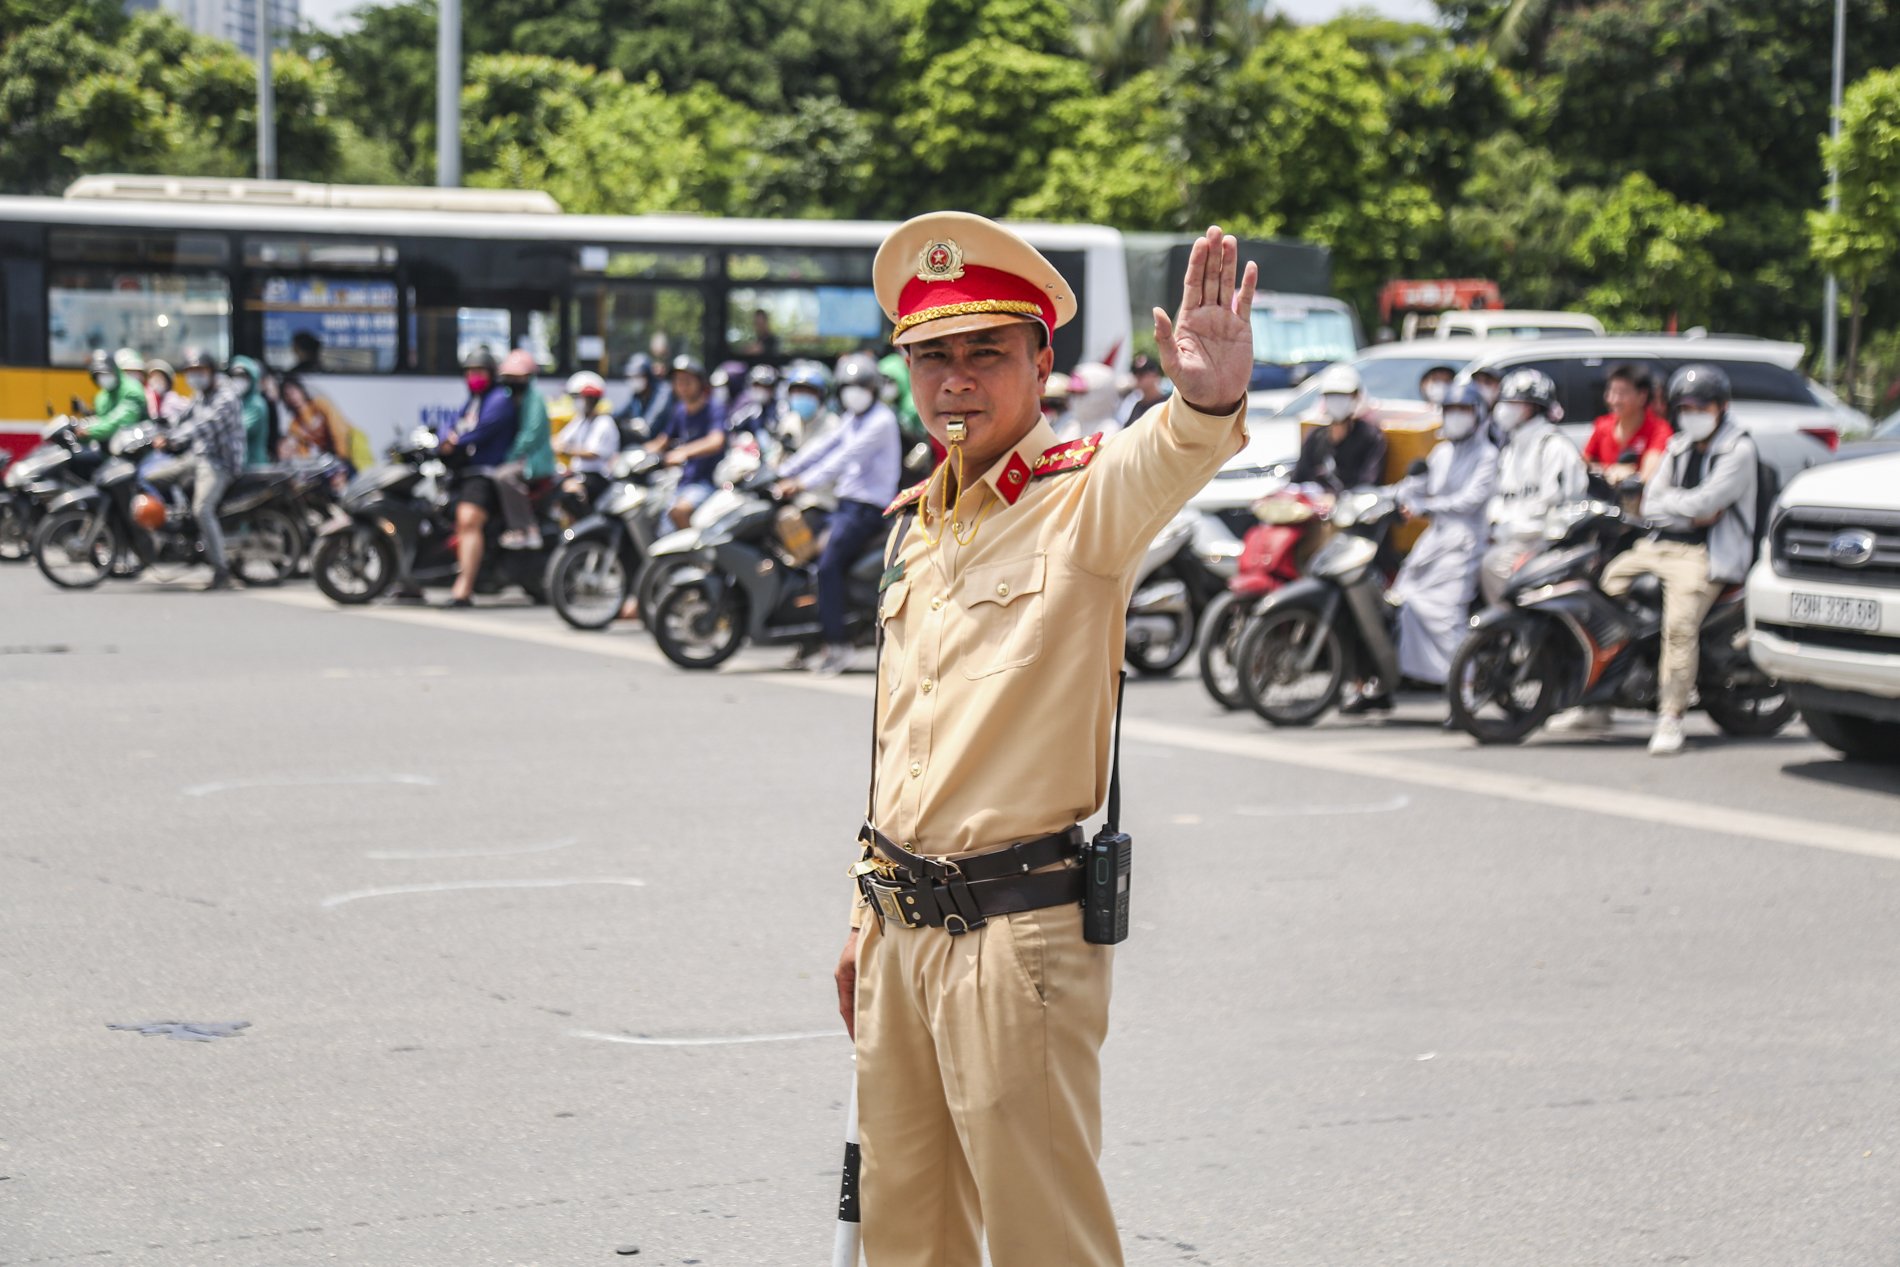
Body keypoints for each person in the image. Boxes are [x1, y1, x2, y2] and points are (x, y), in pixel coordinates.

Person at [835, 214, 1254, 1267]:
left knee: (1040, 1238)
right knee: (905, 1230)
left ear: (1040, 362)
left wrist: (1203, 398)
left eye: (987, 352)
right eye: (933, 355)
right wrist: (859, 915)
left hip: (1014, 939)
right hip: (899, 931)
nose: (957, 381)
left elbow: (1163, 457)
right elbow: (898, 747)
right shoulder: (914, 525)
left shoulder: (1078, 501)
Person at [1598, 364, 1757, 757]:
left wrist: (1681, 507)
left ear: (1721, 407)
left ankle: (1671, 715)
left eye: (1701, 407)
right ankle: (1602, 699)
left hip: (1704, 553)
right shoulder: (1679, 445)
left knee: (1679, 628)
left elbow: (1710, 504)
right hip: (1659, 546)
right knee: (1603, 589)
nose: (1693, 414)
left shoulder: (1739, 449)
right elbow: (1652, 502)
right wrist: (1685, 510)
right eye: (1685, 407)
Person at [772, 355, 902, 675]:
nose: (853, 393)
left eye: (861, 386)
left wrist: (801, 482)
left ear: (873, 388)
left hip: (866, 510)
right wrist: (778, 472)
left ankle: (839, 645)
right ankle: (811, 638)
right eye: (848, 387)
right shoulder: (852, 417)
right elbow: (822, 448)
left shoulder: (880, 420)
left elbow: (844, 457)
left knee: (827, 567)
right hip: (844, 507)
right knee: (801, 555)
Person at [1377, 380, 1499, 701]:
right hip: (1434, 542)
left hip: (1464, 543)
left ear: (1478, 414)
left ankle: (1465, 690)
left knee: (1446, 617)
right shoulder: (1442, 452)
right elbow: (1418, 484)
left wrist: (1424, 506)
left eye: (1463, 410)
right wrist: (1386, 496)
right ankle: (1413, 680)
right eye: (1451, 410)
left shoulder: (1488, 456)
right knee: (1404, 602)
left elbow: (1469, 501)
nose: (1456, 417)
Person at [1480, 368, 1587, 605]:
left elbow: (1560, 512)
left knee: (1493, 565)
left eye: (1514, 402)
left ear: (1533, 406)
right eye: (1504, 401)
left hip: (1542, 544)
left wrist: (1537, 550)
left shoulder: (1554, 446)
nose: (1504, 409)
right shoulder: (1511, 448)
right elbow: (1502, 499)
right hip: (1507, 540)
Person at [146, 348, 246, 590]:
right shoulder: (201, 394)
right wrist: (156, 430)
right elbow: (183, 417)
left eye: (199, 372)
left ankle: (221, 571)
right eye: (191, 373)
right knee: (151, 478)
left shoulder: (226, 397)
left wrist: (173, 440)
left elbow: (203, 426)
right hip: (199, 457)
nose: (195, 377)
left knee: (202, 508)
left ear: (211, 372)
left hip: (220, 463)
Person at [438, 348, 521, 607]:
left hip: (486, 473)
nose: (474, 377)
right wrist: (444, 438)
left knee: (469, 520)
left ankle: (464, 587)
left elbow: (480, 431)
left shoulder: (498, 400)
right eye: (470, 372)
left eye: (479, 372)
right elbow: (451, 423)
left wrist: (456, 441)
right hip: (463, 472)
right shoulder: (472, 400)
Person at [645, 355, 727, 530]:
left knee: (679, 512)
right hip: (682, 481)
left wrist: (684, 452)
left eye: (687, 381)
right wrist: (634, 455)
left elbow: (716, 441)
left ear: (700, 383)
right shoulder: (679, 410)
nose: (682, 386)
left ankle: (695, 557)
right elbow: (662, 441)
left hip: (709, 482)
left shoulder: (714, 407)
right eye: (677, 381)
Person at [493, 349, 556, 550]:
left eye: (516, 377)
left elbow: (531, 435)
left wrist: (509, 457)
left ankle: (525, 529)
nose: (512, 381)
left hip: (534, 460)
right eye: (508, 377)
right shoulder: (512, 397)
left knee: (503, 476)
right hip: (521, 457)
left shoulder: (534, 399)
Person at [1291, 362, 1387, 493]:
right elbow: (1298, 480)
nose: (1337, 401)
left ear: (1356, 396)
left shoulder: (1370, 437)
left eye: (1343, 395)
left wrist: (1335, 498)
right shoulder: (1315, 437)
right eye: (1331, 395)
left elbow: (1368, 484)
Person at [1583, 363, 1673, 484]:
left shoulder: (1659, 430)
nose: (1614, 400)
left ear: (1642, 396)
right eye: (1611, 392)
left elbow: (1648, 477)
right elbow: (1581, 465)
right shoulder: (1602, 425)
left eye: (1621, 393)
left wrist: (1630, 477)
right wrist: (1608, 471)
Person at [553, 370, 621, 504]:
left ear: (591, 399)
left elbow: (592, 453)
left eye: (578, 397)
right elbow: (559, 440)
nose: (576, 401)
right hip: (578, 473)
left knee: (570, 492)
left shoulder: (604, 422)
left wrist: (566, 450)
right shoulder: (580, 420)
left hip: (597, 477)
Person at [80, 348, 150, 444]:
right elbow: (102, 420)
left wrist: (91, 431)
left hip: (137, 448)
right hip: (110, 447)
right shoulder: (101, 397)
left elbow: (123, 419)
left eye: (106, 373)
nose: (103, 378)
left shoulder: (133, 389)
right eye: (99, 376)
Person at [616, 353, 672, 445]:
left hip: (660, 446)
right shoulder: (637, 395)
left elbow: (647, 428)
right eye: (631, 377)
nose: (634, 380)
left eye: (638, 376)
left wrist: (629, 424)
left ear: (648, 376)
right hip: (642, 445)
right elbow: (619, 416)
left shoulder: (663, 392)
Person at [780, 362, 836, 452]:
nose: (802, 396)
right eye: (798, 391)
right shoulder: (788, 422)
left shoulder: (833, 426)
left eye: (808, 392)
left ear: (821, 397)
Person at [227, 356, 272, 468]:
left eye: (242, 376)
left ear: (252, 378)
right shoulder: (234, 401)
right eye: (235, 376)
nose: (238, 380)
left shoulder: (256, 404)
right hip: (236, 465)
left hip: (253, 466)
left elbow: (237, 429)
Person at [1117, 352, 1169, 426]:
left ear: (1155, 375)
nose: (1138, 377)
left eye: (1142, 374)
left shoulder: (1167, 403)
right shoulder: (1137, 406)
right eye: (1135, 373)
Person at [143, 359, 190, 425]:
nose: (156, 382)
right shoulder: (148, 397)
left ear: (167, 382)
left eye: (160, 379)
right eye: (153, 377)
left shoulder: (172, 399)